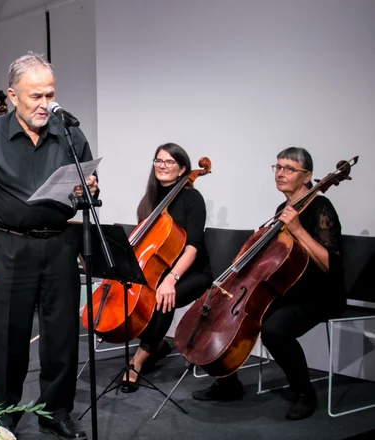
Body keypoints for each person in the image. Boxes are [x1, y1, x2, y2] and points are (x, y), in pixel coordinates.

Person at [0, 52, 97, 440]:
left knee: (62, 337)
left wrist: (89, 188)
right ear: (12, 95)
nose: (44, 104)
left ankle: (56, 412)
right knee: (6, 339)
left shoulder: (70, 134)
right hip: (5, 246)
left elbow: (85, 183)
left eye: (49, 94)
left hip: (57, 245)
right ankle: (3, 414)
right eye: (35, 96)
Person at [191, 147, 345, 421]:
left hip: (321, 293)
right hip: (289, 288)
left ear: (307, 175)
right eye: (277, 167)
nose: (280, 173)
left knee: (275, 330)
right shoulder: (282, 209)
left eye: (289, 168)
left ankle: (304, 392)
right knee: (237, 314)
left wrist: (297, 230)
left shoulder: (321, 207)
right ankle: (228, 383)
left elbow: (331, 264)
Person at [121, 143, 212, 392]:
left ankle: (137, 362)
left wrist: (171, 279)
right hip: (159, 268)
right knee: (137, 296)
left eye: (170, 162)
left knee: (161, 300)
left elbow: (192, 247)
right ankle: (157, 346)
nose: (162, 166)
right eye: (158, 161)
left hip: (191, 271)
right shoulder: (150, 199)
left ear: (183, 169)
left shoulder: (192, 198)